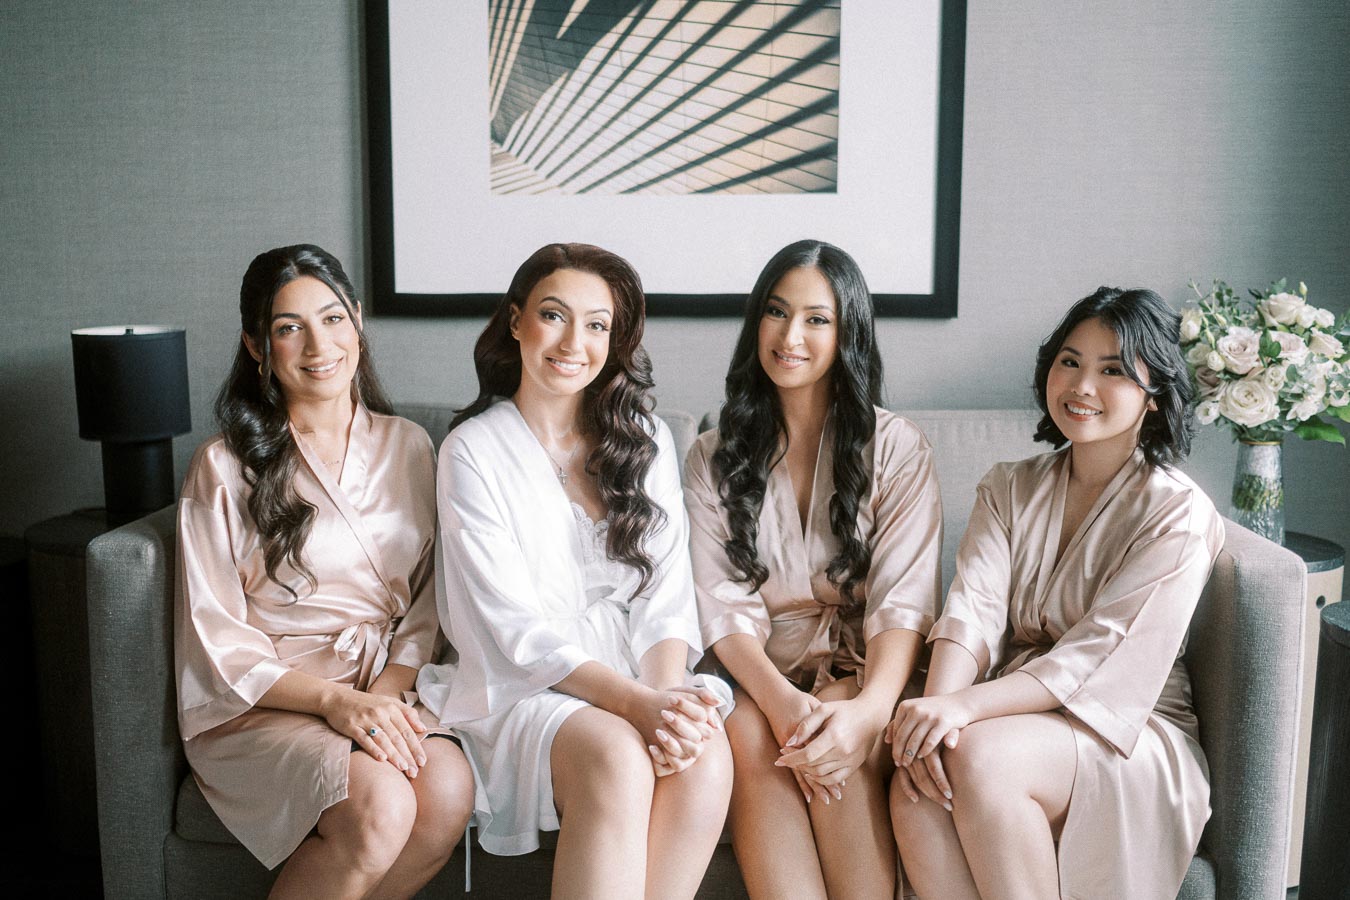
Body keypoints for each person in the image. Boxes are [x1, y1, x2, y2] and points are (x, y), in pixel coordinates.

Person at [416, 242, 733, 900]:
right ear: (515, 322)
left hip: (641, 673)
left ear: (615, 341)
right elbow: (510, 628)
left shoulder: (643, 437)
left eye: (597, 325)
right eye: (554, 315)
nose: (573, 342)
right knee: (617, 754)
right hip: (522, 685)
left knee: (703, 756)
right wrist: (638, 708)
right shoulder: (471, 450)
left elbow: (668, 595)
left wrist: (666, 702)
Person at [888, 287, 1224, 899]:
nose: (1082, 385)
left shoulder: (1178, 514)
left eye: (1113, 370)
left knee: (981, 757)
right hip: (1012, 715)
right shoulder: (1009, 486)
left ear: (1155, 397)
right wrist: (935, 715)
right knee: (916, 783)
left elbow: (1098, 655)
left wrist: (963, 712)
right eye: (1070, 361)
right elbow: (973, 611)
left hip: (1129, 730)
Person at [175, 244, 474, 898]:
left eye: (333, 318)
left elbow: (428, 599)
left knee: (448, 791)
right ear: (257, 346)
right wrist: (336, 703)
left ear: (359, 321)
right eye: (289, 328)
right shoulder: (222, 466)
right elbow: (215, 639)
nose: (318, 345)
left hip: (380, 684)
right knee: (382, 806)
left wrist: (388, 690)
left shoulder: (410, 445)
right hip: (269, 701)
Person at [684, 239, 942, 899]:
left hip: (872, 674)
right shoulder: (711, 456)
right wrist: (779, 703)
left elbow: (903, 601)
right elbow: (721, 605)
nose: (790, 334)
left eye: (816, 318)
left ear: (848, 332)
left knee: (836, 718)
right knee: (744, 727)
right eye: (776, 311)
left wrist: (870, 711)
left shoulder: (897, 447)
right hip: (759, 675)